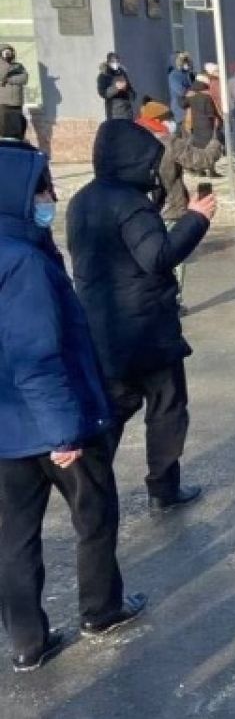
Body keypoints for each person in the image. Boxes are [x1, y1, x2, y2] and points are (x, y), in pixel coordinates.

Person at [0, 115, 149, 673]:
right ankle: (101, 608)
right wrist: (63, 432)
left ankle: (26, 642)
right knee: (94, 512)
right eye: (42, 188)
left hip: (7, 428)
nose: (51, 196)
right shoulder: (23, 264)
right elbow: (36, 355)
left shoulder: (19, 247)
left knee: (15, 535)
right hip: (53, 423)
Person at [66, 120, 217, 512]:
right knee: (166, 408)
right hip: (146, 328)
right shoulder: (131, 203)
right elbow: (158, 257)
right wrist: (196, 219)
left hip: (102, 327)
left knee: (111, 411)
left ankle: (91, 491)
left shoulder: (82, 199)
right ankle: (163, 489)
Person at [136, 100, 220, 312]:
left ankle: (152, 298)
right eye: (168, 119)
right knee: (174, 255)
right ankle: (172, 300)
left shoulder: (131, 141)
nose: (172, 123)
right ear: (157, 120)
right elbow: (201, 161)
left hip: (141, 210)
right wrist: (216, 143)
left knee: (145, 255)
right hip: (171, 208)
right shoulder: (168, 142)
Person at [97, 52, 136, 120]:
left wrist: (128, 91)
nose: (115, 63)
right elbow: (103, 93)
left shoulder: (122, 73)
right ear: (108, 62)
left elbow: (131, 92)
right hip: (114, 113)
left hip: (127, 112)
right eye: (113, 61)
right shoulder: (103, 76)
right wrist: (116, 88)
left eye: (117, 61)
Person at [0, 43, 29, 125]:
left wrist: (8, 80)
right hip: (3, 102)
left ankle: (17, 137)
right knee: (4, 125)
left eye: (9, 52)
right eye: (5, 52)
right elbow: (1, 76)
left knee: (17, 124)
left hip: (17, 101)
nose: (7, 54)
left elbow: (24, 79)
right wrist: (4, 62)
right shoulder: (2, 66)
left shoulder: (18, 66)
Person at [167, 52, 194, 124]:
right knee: (185, 129)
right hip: (180, 109)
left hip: (188, 107)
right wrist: (192, 92)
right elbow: (181, 91)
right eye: (184, 61)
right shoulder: (174, 75)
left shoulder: (187, 74)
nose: (187, 64)